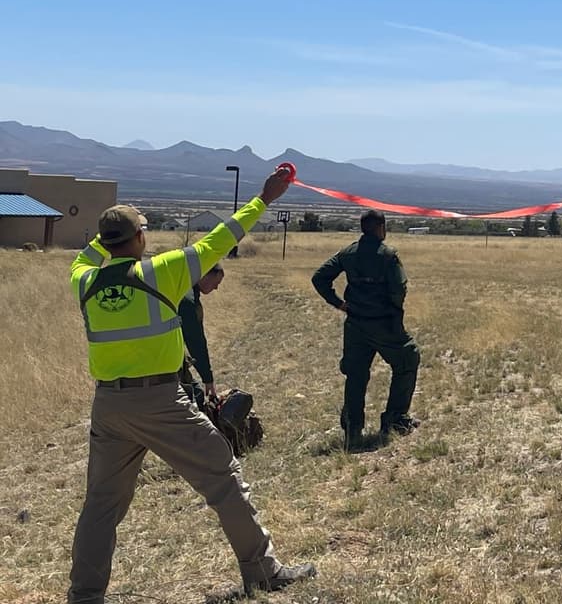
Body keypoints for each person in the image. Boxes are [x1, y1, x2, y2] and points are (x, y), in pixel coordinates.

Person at [67, 167, 316, 603]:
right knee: (224, 480)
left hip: (108, 406)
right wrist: (265, 198)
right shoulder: (164, 271)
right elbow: (220, 237)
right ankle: (263, 573)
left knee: (101, 507)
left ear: (105, 242)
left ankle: (85, 596)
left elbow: (86, 256)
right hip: (163, 400)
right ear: (141, 238)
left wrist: (105, 235)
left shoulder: (84, 279)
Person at [311, 208, 421, 449]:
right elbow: (399, 289)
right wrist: (392, 310)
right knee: (408, 358)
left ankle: (352, 428)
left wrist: (338, 303)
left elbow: (319, 277)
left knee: (356, 375)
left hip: (355, 323)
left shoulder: (348, 253)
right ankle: (395, 419)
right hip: (384, 323)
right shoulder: (388, 255)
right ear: (381, 227)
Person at [179, 262, 225, 406]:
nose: (216, 288)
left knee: (195, 393)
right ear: (204, 274)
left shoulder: (183, 287)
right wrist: (207, 378)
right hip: (161, 362)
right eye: (216, 282)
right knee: (195, 397)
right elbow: (196, 342)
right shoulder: (188, 301)